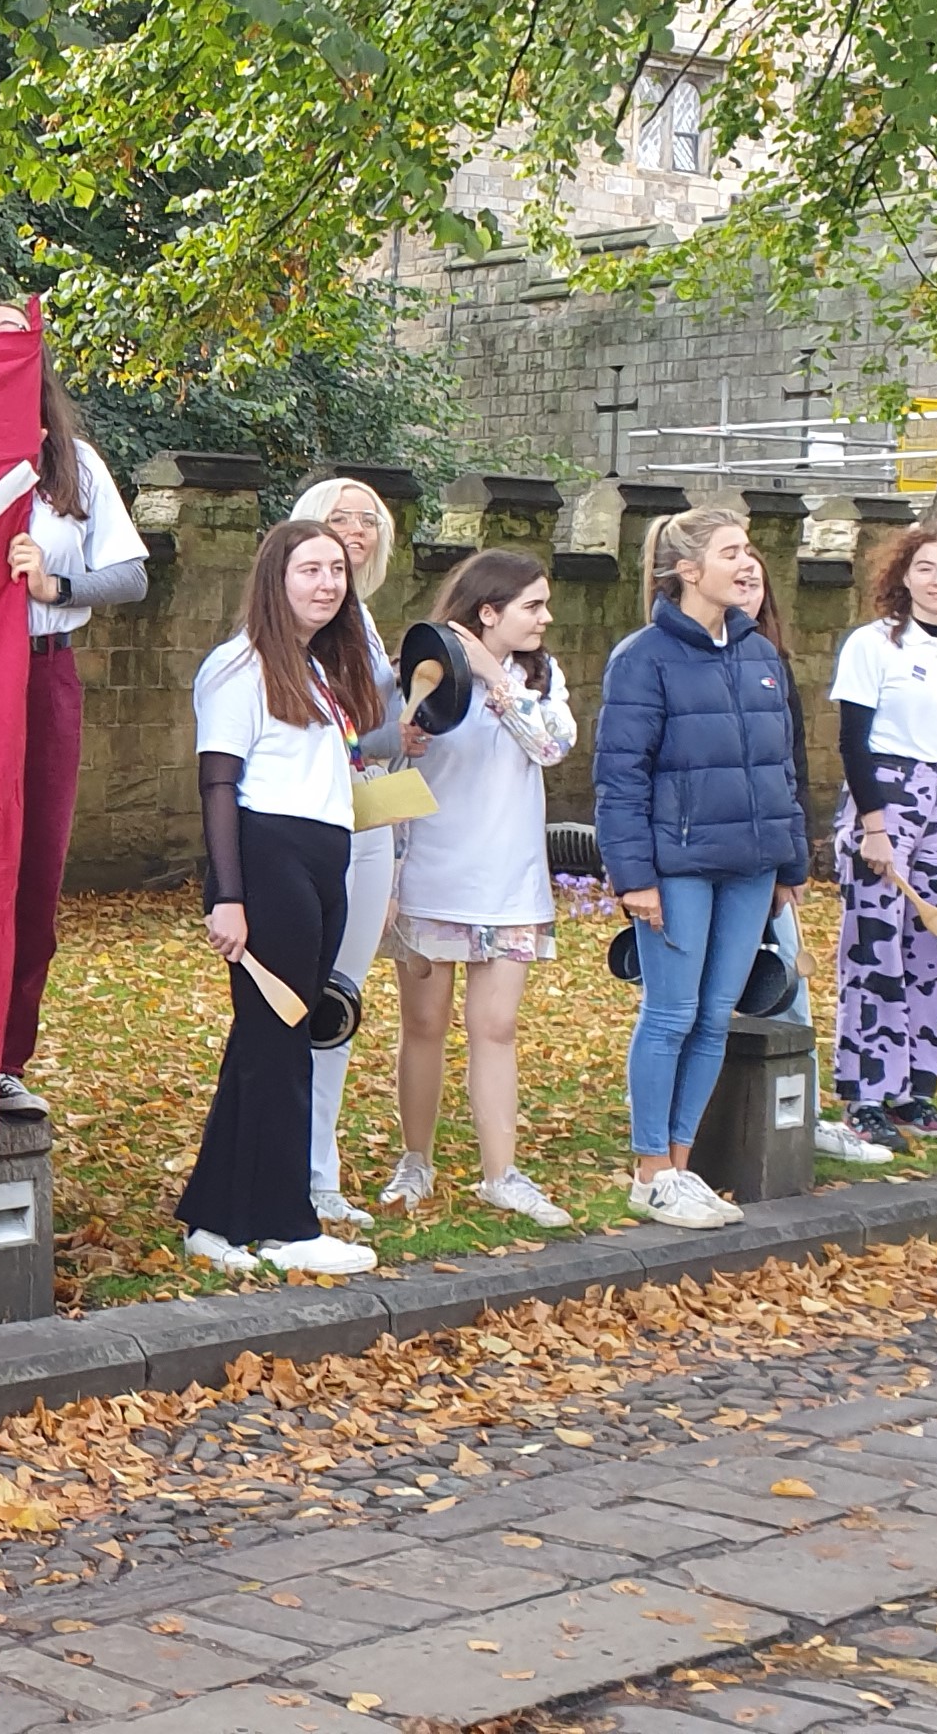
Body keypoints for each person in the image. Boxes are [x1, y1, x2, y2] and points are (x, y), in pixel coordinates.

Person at [592, 507, 808, 1229]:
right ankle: (649, 1168)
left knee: (715, 1015)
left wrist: (788, 861)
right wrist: (634, 878)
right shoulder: (642, 657)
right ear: (688, 570)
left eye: (748, 550)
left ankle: (682, 1168)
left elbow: (782, 768)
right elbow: (619, 778)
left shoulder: (759, 655)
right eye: (730, 552)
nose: (746, 564)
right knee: (670, 1014)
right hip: (677, 866)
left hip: (749, 867)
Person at [179, 520, 383, 1277]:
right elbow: (218, 784)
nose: (327, 584)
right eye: (309, 570)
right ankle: (284, 1225)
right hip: (267, 860)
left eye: (336, 570)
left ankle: (214, 1220)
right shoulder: (239, 666)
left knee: (268, 1045)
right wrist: (227, 895)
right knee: (279, 1041)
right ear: (274, 577)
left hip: (321, 862)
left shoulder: (319, 671)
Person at [0, 300, 150, 1119]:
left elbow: (132, 576)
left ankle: (4, 1058)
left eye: (11, 338)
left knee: (32, 873)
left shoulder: (73, 465)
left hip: (40, 677)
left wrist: (56, 586)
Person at [376, 549, 577, 1226]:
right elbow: (384, 764)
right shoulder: (419, 672)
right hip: (432, 875)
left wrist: (496, 677)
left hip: (510, 884)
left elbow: (549, 748)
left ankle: (502, 1174)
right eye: (531, 606)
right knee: (423, 1024)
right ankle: (416, 1161)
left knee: (495, 1027)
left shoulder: (539, 681)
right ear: (486, 611)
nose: (544, 618)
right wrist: (392, 878)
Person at [827, 522, 937, 1149]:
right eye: (925, 568)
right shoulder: (873, 645)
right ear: (903, 576)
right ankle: (865, 1094)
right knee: (876, 946)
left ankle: (914, 1094)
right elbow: (852, 739)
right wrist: (872, 825)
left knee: (932, 946)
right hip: (887, 794)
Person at [736, 553, 895, 1167]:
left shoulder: (773, 664)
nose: (746, 590)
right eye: (737, 576)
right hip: (708, 858)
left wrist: (793, 858)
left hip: (770, 854)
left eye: (756, 581)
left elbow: (792, 768)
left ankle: (800, 1116)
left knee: (787, 987)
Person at [282, 475, 405, 1229]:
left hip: (368, 823)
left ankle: (318, 1171)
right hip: (307, 828)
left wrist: (409, 733)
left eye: (367, 520)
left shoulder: (363, 623)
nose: (354, 531)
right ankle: (283, 1164)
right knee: (295, 998)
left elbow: (374, 740)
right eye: (337, 519)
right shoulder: (292, 622)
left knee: (339, 1003)